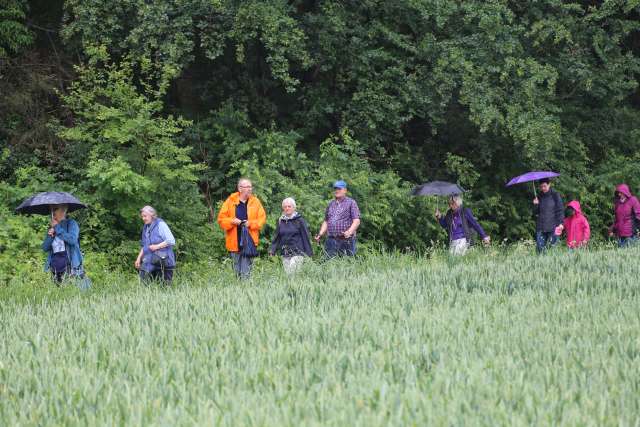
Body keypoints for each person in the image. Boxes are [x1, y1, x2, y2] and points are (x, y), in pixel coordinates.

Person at [217, 178, 267, 278]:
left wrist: (250, 223)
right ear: (240, 188)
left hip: (249, 242)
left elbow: (261, 220)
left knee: (245, 274)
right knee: (236, 273)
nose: (250, 189)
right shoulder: (230, 201)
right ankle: (238, 292)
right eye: (247, 187)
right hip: (234, 243)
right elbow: (221, 220)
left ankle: (246, 292)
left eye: (250, 187)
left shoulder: (255, 202)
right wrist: (232, 221)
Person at [314, 180, 361, 257]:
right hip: (331, 240)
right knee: (328, 264)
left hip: (346, 240)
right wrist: (320, 234)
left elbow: (356, 221)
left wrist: (349, 232)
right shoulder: (331, 204)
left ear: (345, 190)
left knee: (347, 264)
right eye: (335, 189)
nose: (337, 191)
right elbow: (326, 221)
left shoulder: (351, 203)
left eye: (339, 189)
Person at [41, 204, 84, 283]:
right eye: (51, 210)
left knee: (71, 294)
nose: (53, 212)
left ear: (64, 210)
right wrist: (51, 236)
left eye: (55, 209)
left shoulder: (71, 223)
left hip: (70, 268)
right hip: (54, 269)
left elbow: (72, 240)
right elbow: (44, 248)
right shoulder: (52, 227)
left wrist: (57, 228)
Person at [269, 197, 314, 274]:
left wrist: (309, 253)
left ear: (294, 208)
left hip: (298, 253)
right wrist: (272, 250)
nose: (287, 208)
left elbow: (305, 237)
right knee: (288, 276)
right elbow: (277, 237)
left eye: (289, 206)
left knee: (292, 274)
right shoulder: (281, 221)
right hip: (285, 253)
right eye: (285, 207)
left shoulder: (299, 220)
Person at [134, 206, 176, 284]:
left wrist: (157, 246)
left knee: (164, 288)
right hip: (149, 263)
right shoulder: (146, 227)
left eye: (145, 216)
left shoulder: (161, 224)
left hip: (163, 262)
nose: (143, 218)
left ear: (152, 215)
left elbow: (171, 240)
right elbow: (144, 245)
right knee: (145, 285)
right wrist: (138, 258)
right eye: (142, 216)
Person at [532, 178, 564, 253]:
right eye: (541, 187)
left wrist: (561, 223)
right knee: (540, 251)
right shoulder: (539, 196)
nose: (543, 188)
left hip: (554, 227)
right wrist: (535, 205)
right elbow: (535, 213)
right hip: (541, 227)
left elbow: (560, 210)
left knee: (552, 251)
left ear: (549, 185)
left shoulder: (555, 195)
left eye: (544, 186)